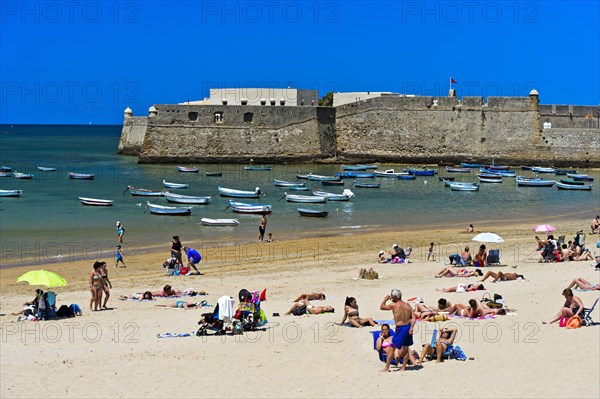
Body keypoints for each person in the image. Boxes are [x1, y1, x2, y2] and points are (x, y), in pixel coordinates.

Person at [379, 289, 416, 372]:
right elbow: (413, 317)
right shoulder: (408, 305)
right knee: (406, 348)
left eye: (392, 296)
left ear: (395, 297)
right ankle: (403, 368)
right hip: (408, 327)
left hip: (400, 329)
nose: (391, 297)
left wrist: (385, 299)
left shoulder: (394, 305)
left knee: (392, 347)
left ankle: (386, 368)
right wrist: (411, 328)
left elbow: (382, 307)